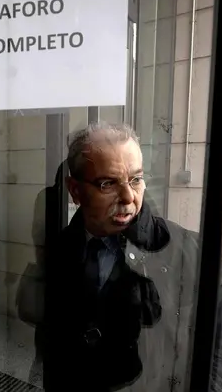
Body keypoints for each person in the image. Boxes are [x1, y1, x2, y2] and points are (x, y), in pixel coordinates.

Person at [40, 122, 162, 391]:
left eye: (136, 179)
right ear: (75, 191)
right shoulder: (61, 246)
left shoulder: (177, 248)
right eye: (107, 183)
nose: (128, 197)